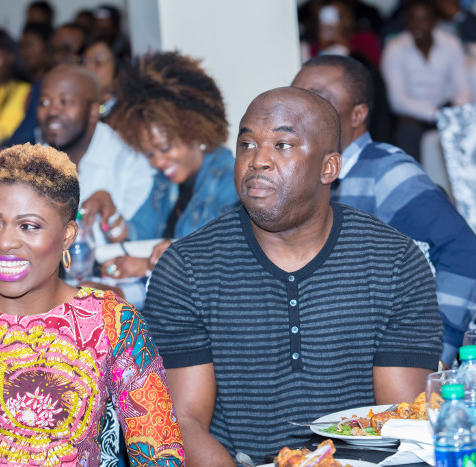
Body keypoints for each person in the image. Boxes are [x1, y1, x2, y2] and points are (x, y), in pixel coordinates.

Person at [144, 86, 443, 464]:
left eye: (282, 145)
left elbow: (401, 423)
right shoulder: (187, 268)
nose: (258, 160)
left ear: (328, 167)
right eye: (247, 144)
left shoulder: (393, 261)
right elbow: (182, 423)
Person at [0, 143, 184, 465]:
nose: (4, 242)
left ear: (68, 235)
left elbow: (160, 453)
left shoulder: (111, 321)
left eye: (29, 226)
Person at [292, 54, 476, 366]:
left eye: (318, 99)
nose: (300, 111)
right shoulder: (302, 175)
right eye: (297, 98)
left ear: (358, 114)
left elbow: (467, 255)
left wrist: (435, 349)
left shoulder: (386, 173)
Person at [88, 51, 238, 280]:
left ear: (193, 129)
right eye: (149, 153)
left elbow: (228, 260)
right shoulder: (164, 184)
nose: (158, 162)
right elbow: (135, 239)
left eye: (165, 148)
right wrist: (110, 212)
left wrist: (149, 267)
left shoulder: (231, 182)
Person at [36, 64, 153, 246]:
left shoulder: (130, 160)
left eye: (65, 102)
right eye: (45, 102)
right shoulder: (32, 162)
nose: (52, 111)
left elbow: (136, 241)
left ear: (92, 111)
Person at [382, 0, 471, 161]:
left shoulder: (451, 43)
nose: (418, 25)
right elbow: (397, 100)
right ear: (406, 21)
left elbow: (463, 87)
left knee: (467, 123)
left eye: (424, 19)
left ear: (434, 21)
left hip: (446, 106)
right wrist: (434, 114)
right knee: (407, 132)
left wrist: (455, 111)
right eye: (413, 19)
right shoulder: (394, 49)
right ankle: (412, 174)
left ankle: (464, 173)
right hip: (412, 112)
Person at [82, 35, 129, 121]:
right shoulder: (81, 109)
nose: (88, 68)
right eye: (85, 63)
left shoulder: (128, 113)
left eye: (98, 62)